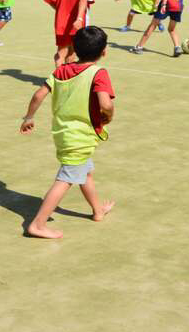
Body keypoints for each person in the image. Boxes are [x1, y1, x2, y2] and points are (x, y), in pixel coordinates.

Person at [19, 25, 116, 239]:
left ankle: (98, 211)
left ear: (74, 48)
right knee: (65, 179)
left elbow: (38, 95)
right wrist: (108, 115)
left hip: (64, 133)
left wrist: (29, 117)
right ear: (104, 52)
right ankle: (37, 224)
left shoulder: (61, 70)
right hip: (80, 137)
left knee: (85, 171)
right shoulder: (99, 73)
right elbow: (105, 105)